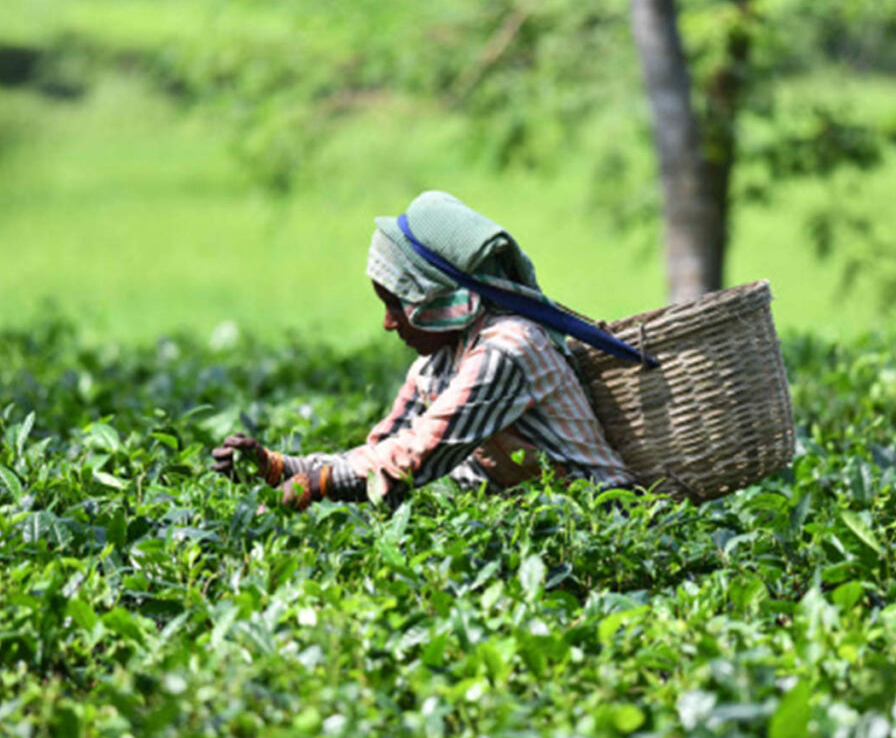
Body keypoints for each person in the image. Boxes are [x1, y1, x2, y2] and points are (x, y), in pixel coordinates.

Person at [212, 191, 635, 509]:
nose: (388, 323)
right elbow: (379, 452)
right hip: (532, 517)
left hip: (597, 515)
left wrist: (315, 484)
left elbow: (416, 457)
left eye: (396, 304)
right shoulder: (436, 366)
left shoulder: (509, 348)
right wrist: (274, 467)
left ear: (435, 300)